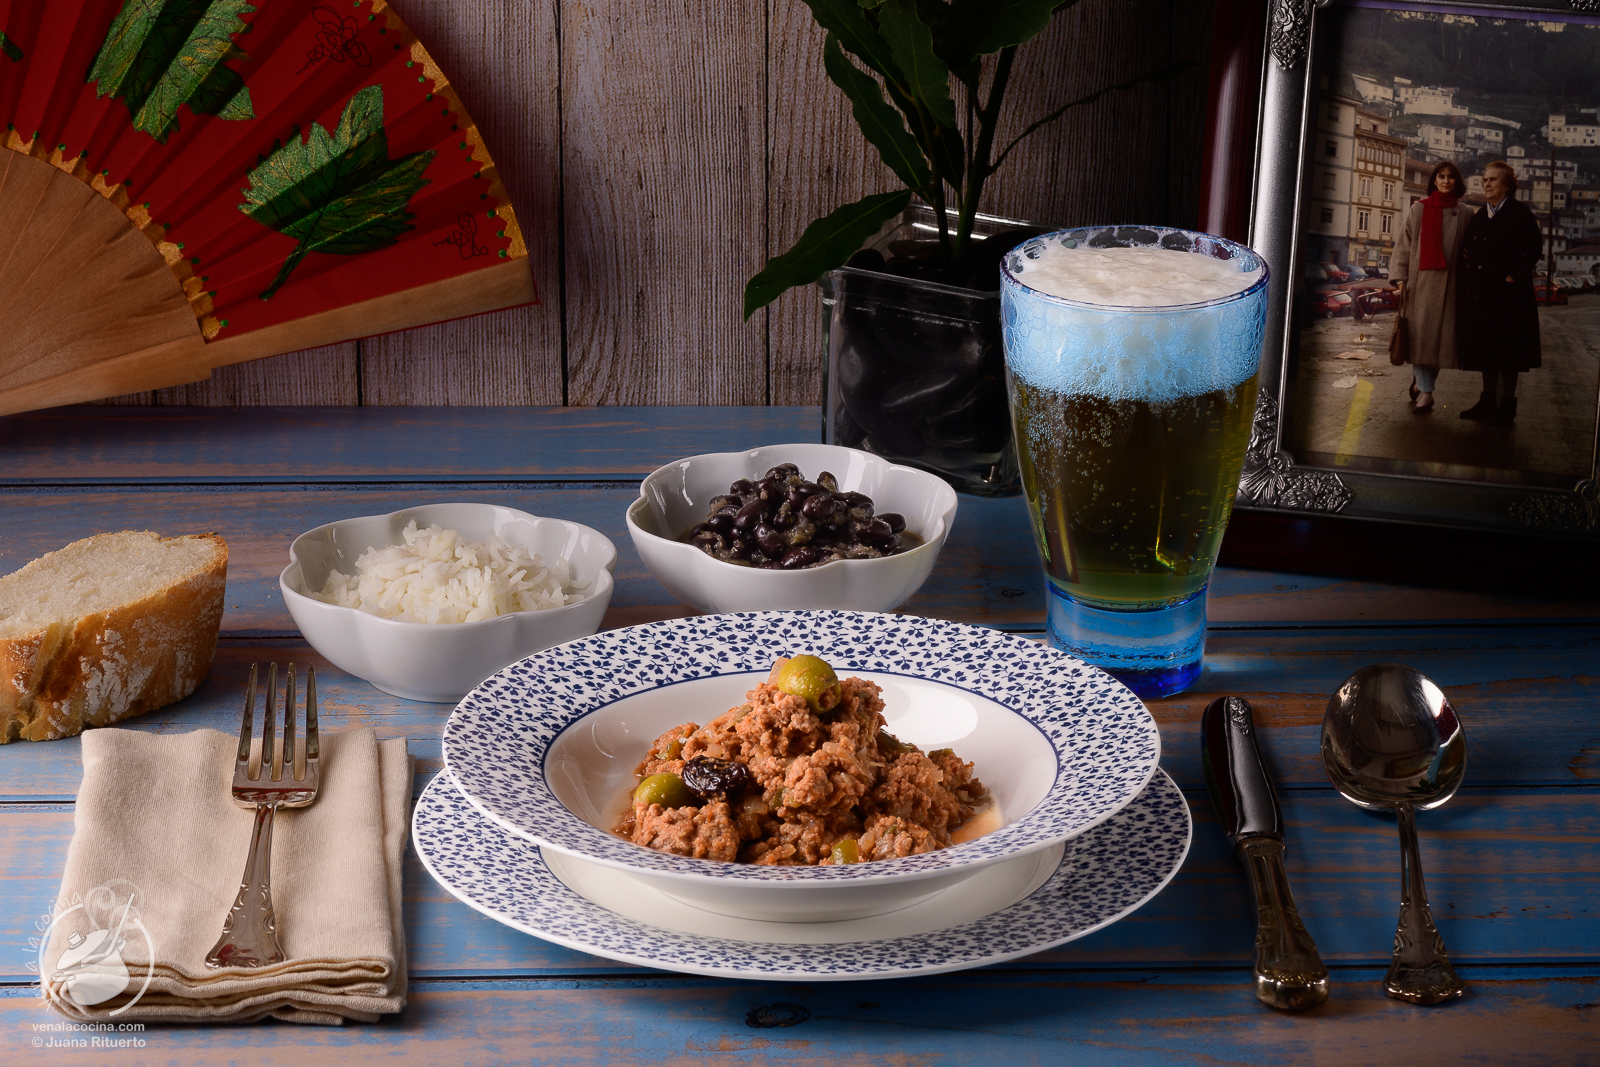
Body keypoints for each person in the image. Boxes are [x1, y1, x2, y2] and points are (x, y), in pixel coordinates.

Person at [1457, 161, 1543, 425]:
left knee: (1509, 352)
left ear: (1507, 185)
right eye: (1484, 180)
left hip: (1510, 296)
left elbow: (1534, 248)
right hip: (1483, 296)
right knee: (1486, 350)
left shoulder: (1520, 213)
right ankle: (1486, 402)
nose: (1487, 184)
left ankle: (1507, 406)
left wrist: (1513, 276)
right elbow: (1467, 251)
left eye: (1493, 179)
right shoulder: (1480, 216)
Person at [1389, 161, 1471, 414]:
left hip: (1452, 288)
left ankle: (1422, 383)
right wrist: (1401, 280)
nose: (1446, 181)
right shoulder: (1418, 210)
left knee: (1439, 344)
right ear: (1434, 181)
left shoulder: (1466, 213)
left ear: (1457, 182)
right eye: (1441, 177)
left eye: (1450, 177)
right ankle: (1427, 393)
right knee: (1420, 341)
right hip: (1419, 287)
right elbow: (1403, 245)